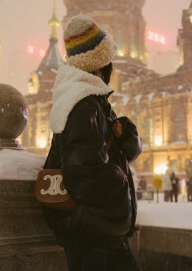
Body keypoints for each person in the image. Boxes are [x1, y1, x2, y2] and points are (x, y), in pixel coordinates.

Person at [43, 15, 142, 271]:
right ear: (98, 64)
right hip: (90, 231)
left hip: (102, 229)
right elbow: (83, 174)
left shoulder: (94, 103)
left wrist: (128, 136)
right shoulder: (82, 105)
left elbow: (106, 156)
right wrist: (120, 181)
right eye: (108, 60)